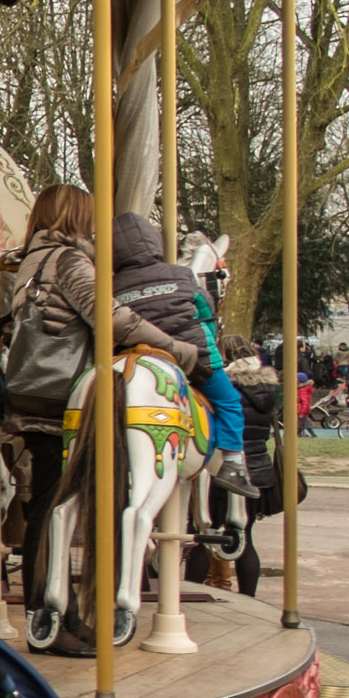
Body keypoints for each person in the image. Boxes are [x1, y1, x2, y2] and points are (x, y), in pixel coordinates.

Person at [0, 187, 197, 656]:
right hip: (60, 392)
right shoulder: (68, 261)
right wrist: (177, 348)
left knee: (50, 503)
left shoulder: (31, 259)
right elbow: (112, 320)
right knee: (53, 507)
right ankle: (45, 619)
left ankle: (58, 613)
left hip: (31, 387)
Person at [108, 213, 258, 498]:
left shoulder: (113, 284)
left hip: (134, 356)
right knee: (228, 400)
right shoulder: (180, 274)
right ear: (153, 242)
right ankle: (233, 464)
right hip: (193, 357)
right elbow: (206, 308)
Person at [185, 335, 280, 594]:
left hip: (220, 468)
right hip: (256, 469)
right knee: (246, 535)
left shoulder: (220, 386)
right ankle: (249, 596)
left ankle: (191, 590)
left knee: (203, 533)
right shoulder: (269, 388)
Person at [297, 372, 317, 437]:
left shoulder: (302, 390)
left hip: (301, 410)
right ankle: (299, 433)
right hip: (301, 409)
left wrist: (303, 412)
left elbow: (305, 402)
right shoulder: (301, 389)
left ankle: (312, 434)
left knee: (303, 423)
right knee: (303, 423)